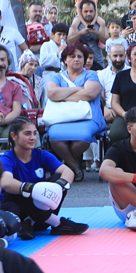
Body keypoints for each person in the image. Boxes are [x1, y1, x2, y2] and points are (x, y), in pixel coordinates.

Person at [0, 119, 85, 239]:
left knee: (59, 178)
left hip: (41, 218)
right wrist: (33, 189)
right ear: (14, 136)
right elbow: (6, 183)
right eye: (27, 133)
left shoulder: (41, 154)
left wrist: (59, 186)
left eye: (34, 133)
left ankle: (29, 223)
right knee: (20, 190)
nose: (33, 137)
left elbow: (68, 172)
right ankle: (58, 223)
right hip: (15, 214)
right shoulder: (7, 159)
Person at [43, 44, 105, 181]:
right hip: (60, 119)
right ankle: (73, 165)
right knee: (55, 137)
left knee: (83, 137)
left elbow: (89, 94)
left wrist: (63, 96)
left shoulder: (91, 75)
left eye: (79, 56)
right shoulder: (57, 77)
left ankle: (64, 164)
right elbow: (52, 93)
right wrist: (78, 89)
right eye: (72, 56)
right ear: (65, 59)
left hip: (88, 117)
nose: (76, 59)